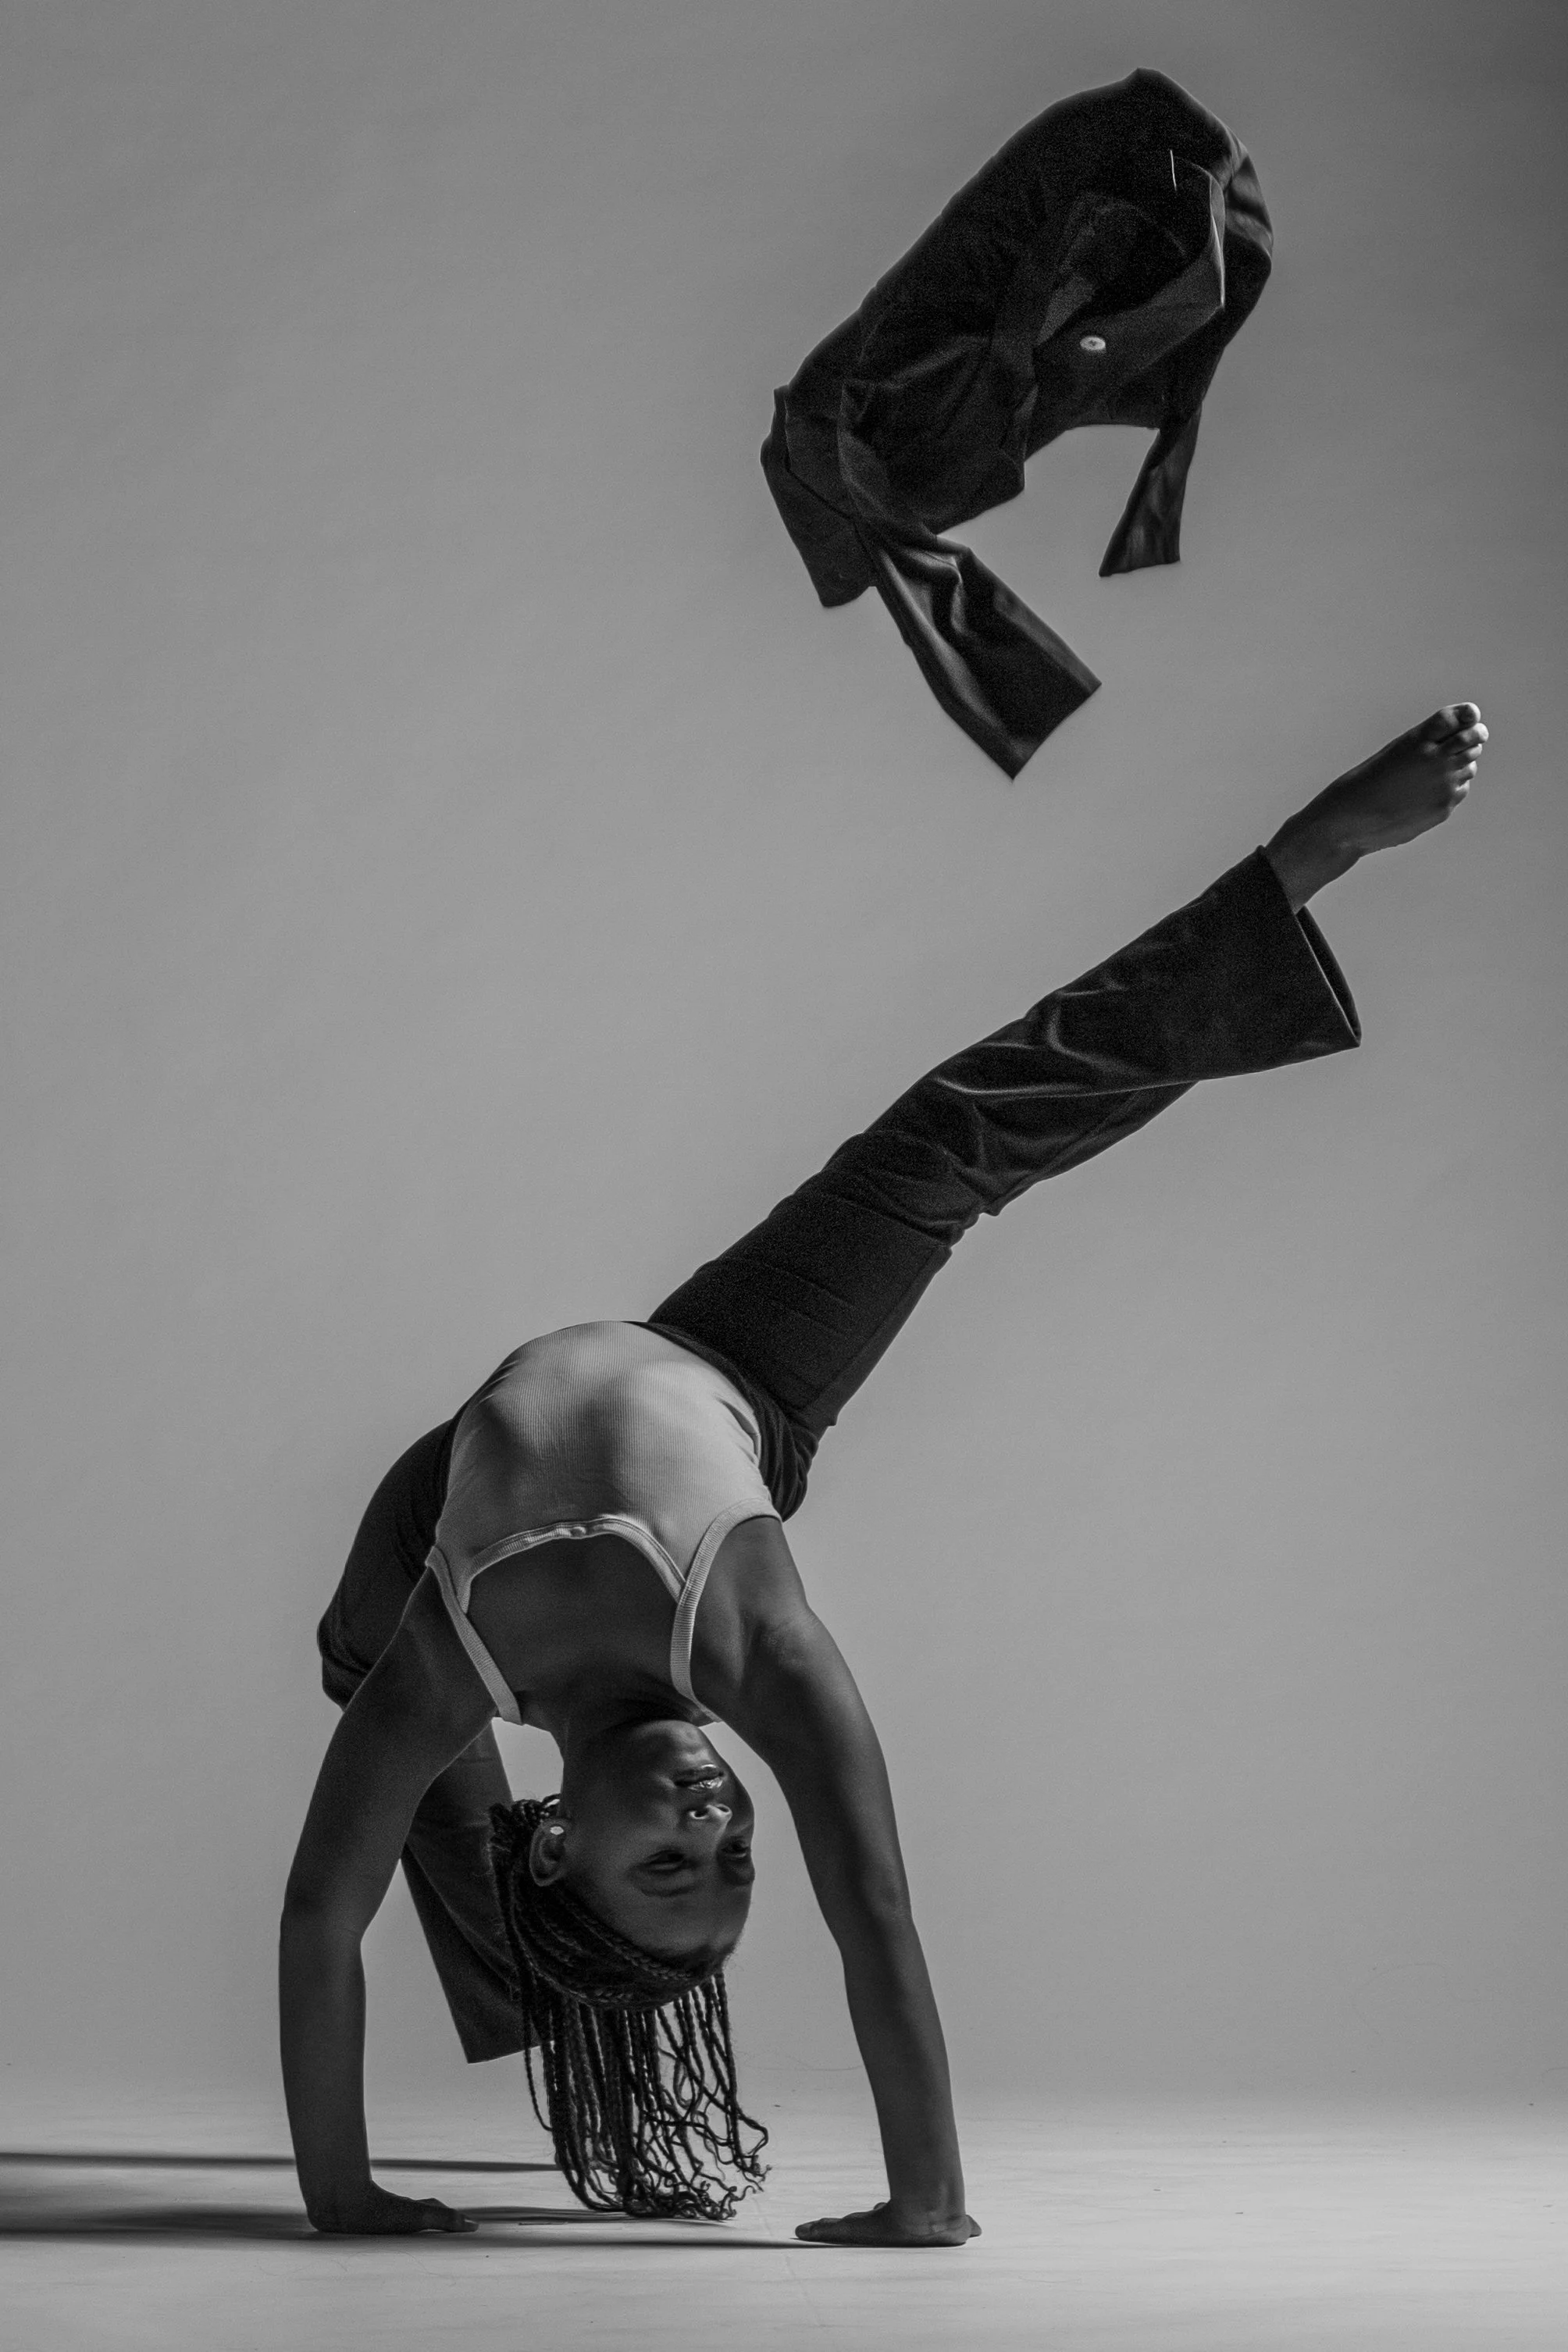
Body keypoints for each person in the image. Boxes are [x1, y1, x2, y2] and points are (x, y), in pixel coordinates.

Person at [281, 704, 1488, 2245]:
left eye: (671, 1859)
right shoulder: (757, 1654)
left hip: (440, 1503)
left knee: (358, 1660)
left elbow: (319, 1914)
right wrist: (928, 2204)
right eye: (733, 1855)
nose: (713, 1819)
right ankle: (1309, 861)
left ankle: (554, 1990)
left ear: (571, 1835)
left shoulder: (453, 1660)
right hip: (731, 1381)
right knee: (948, 1149)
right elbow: (875, 1915)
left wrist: (340, 2196)